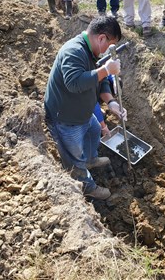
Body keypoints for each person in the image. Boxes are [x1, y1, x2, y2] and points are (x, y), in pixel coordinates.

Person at [44, 16, 127, 200]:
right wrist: (106, 69)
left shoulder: (92, 51)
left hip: (83, 111)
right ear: (102, 38)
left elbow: (101, 80)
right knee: (74, 158)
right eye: (110, 45)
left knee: (94, 130)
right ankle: (86, 186)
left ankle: (90, 159)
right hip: (65, 117)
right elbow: (74, 83)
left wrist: (111, 102)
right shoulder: (74, 52)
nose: (109, 50)